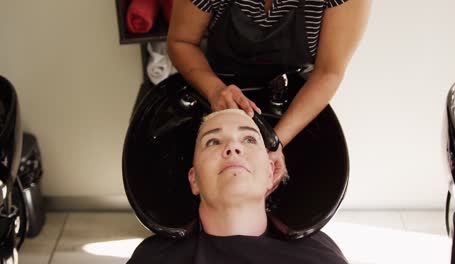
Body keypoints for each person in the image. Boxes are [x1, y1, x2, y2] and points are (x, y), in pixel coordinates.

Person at [167, 0, 371, 193]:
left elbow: (328, 72)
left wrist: (274, 142)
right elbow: (182, 42)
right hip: (218, 82)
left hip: (295, 96)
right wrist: (214, 90)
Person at [127, 109, 348, 263]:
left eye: (249, 139)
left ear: (271, 172)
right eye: (213, 141)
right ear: (194, 179)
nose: (233, 147)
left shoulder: (319, 257)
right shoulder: (152, 258)